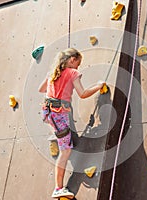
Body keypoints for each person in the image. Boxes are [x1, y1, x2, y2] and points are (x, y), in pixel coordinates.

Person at [38, 48, 105, 198]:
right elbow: (82, 94)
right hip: (59, 114)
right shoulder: (72, 73)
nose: (78, 68)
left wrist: (56, 88)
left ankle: (56, 136)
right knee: (66, 151)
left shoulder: (53, 73)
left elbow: (41, 89)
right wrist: (99, 86)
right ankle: (58, 188)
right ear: (72, 60)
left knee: (62, 137)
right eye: (78, 64)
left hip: (48, 112)